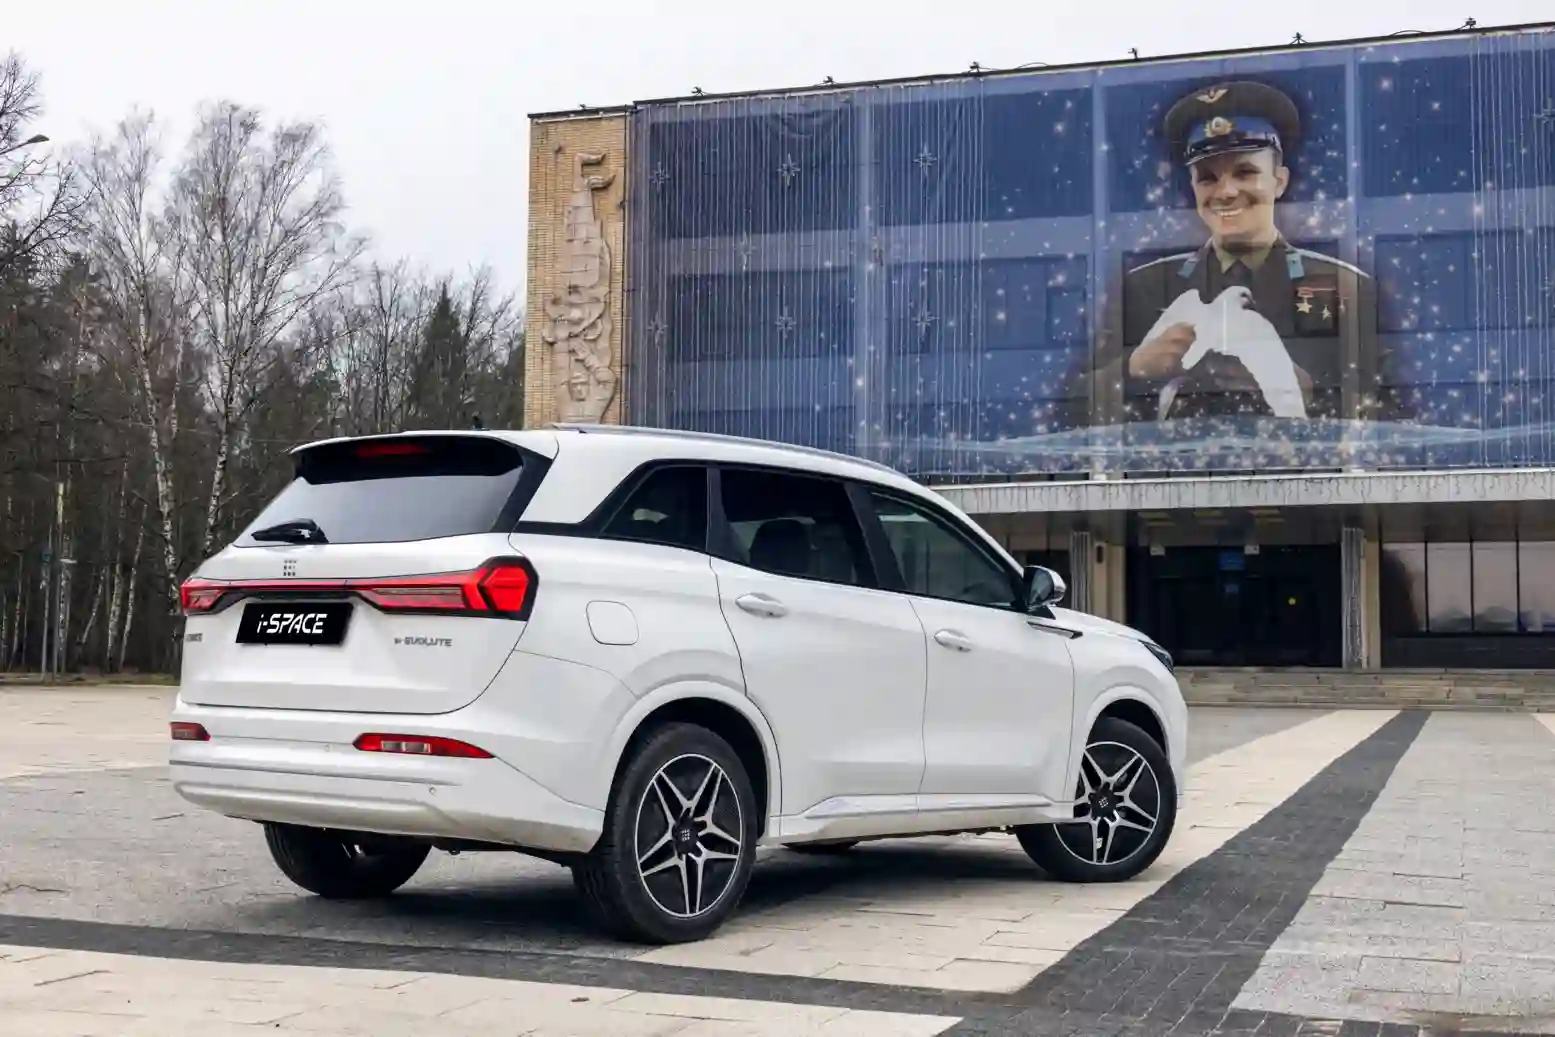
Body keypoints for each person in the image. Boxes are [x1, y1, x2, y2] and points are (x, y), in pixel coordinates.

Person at [1108, 80, 1376, 424]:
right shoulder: (1144, 288)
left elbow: (1389, 412)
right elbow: (1072, 403)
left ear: (1279, 181)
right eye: (1208, 178)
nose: (1226, 192)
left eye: (1245, 173)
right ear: (1193, 188)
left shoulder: (1346, 288)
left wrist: (1309, 393)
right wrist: (1133, 368)